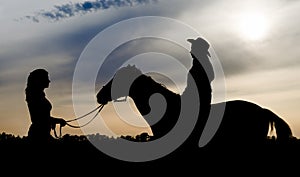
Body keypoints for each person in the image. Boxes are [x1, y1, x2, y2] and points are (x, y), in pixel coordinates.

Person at [25, 68, 66, 144]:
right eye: (46, 78)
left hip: (42, 134)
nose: (49, 81)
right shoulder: (35, 96)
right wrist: (57, 120)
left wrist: (53, 121)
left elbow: (43, 117)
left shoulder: (38, 96)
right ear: (39, 80)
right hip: (39, 135)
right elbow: (40, 118)